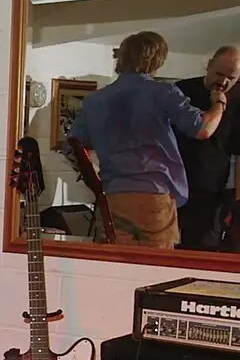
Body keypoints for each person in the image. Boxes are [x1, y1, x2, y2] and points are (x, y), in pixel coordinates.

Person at [67, 31, 226, 248]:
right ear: (156, 60)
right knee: (156, 268)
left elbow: (74, 145)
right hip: (154, 195)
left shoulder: (96, 100)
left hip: (113, 195)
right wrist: (219, 105)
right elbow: (202, 129)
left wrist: (95, 179)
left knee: (114, 265)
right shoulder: (163, 92)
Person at [174, 45, 240, 249]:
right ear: (209, 65)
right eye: (219, 74)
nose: (223, 82)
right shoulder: (179, 91)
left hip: (211, 195)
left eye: (232, 77)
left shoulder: (239, 101)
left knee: (203, 252)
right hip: (172, 188)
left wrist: (238, 203)